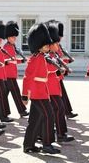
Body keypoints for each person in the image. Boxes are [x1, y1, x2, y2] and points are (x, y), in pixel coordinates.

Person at [22, 23, 60, 154]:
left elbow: (47, 71)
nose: (47, 47)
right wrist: (24, 95)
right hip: (38, 94)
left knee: (35, 120)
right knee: (49, 116)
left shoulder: (42, 58)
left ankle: (28, 145)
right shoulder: (35, 59)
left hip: (43, 92)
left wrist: (57, 72)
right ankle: (47, 144)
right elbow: (27, 78)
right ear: (39, 45)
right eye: (45, 45)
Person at [46, 20, 75, 142]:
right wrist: (59, 71)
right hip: (50, 89)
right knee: (59, 109)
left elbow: (59, 66)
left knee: (51, 111)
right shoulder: (47, 57)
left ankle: (42, 134)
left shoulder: (53, 55)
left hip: (55, 87)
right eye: (56, 43)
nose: (58, 46)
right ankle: (61, 134)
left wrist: (66, 66)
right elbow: (47, 72)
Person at [3, 21, 29, 117]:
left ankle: (0, 111)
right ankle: (22, 110)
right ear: (8, 37)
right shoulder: (7, 47)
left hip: (10, 74)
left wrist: (21, 60)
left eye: (15, 37)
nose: (15, 38)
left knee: (3, 95)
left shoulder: (11, 46)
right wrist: (20, 61)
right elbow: (9, 61)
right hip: (9, 75)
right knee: (16, 93)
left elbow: (13, 60)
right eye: (13, 37)